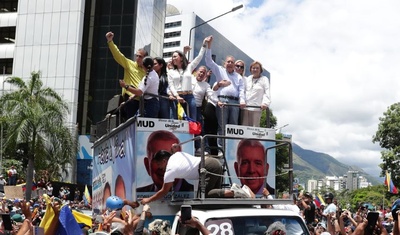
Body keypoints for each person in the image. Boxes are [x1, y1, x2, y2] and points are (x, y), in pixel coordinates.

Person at [140, 145, 223, 204]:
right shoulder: (176, 155)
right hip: (215, 162)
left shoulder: (170, 169)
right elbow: (174, 151)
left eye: (159, 164)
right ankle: (232, 192)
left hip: (207, 167)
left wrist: (148, 200)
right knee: (215, 197)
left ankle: (234, 192)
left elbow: (164, 191)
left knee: (205, 195)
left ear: (164, 161)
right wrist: (173, 148)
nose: (159, 167)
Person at [204, 36, 246, 140]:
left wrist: (242, 101)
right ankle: (221, 150)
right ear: (225, 63)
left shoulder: (239, 77)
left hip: (235, 103)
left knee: (233, 128)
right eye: (228, 61)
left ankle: (231, 150)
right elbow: (209, 61)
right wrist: (209, 46)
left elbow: (241, 90)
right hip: (222, 101)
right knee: (222, 126)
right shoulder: (220, 70)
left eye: (232, 62)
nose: (230, 63)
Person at [105, 31, 147, 119]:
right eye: (137, 56)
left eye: (140, 57)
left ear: (145, 58)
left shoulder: (147, 71)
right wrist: (110, 41)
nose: (138, 58)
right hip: (131, 99)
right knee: (131, 123)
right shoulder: (129, 64)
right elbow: (118, 55)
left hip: (144, 101)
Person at [168, 36, 211, 120]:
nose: (173, 58)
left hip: (189, 96)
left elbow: (199, 57)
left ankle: (192, 133)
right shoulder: (171, 72)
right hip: (177, 96)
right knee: (175, 119)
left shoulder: (189, 67)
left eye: (175, 56)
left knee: (192, 120)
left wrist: (204, 44)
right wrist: (177, 96)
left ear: (181, 58)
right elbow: (171, 86)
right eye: (172, 57)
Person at [242, 61, 270, 127]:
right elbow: (243, 91)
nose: (255, 70)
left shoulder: (264, 79)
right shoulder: (248, 79)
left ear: (260, 70)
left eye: (257, 68)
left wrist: (265, 103)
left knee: (255, 128)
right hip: (246, 107)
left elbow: (267, 91)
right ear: (251, 69)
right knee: (244, 128)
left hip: (256, 108)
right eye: (253, 68)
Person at [192, 66, 213, 153]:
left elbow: (210, 94)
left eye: (203, 73)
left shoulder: (206, 85)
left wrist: (218, 101)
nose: (201, 74)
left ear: (205, 76)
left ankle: (202, 148)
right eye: (200, 71)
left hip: (197, 108)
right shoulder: (190, 79)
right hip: (186, 106)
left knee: (199, 128)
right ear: (196, 72)